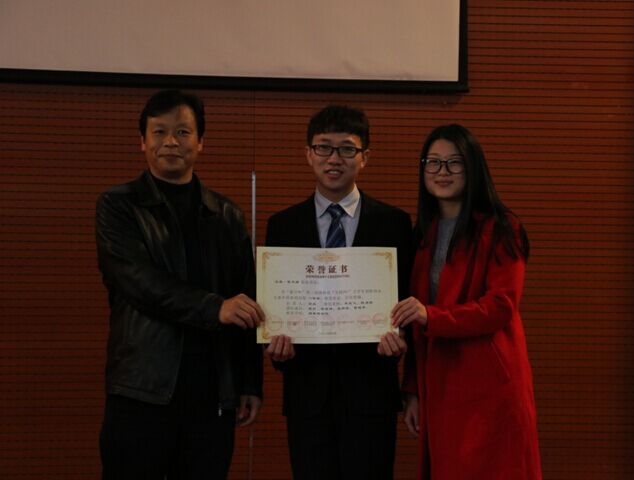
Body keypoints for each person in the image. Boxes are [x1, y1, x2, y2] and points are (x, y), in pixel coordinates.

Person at [95, 89, 264, 479]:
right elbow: (140, 283)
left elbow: (248, 299)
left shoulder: (227, 214)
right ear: (143, 141)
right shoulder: (118, 206)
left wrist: (249, 383)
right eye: (159, 132)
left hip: (212, 391)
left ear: (201, 142)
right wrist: (215, 307)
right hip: (142, 388)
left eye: (183, 132)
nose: (171, 142)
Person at [264, 105, 413, 480]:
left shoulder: (394, 223)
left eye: (347, 148)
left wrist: (401, 338)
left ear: (365, 157)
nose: (334, 158)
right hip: (307, 396)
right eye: (323, 147)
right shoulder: (282, 226)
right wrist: (277, 350)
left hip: (371, 392)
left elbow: (407, 299)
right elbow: (277, 305)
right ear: (308, 154)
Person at [392, 124, 542, 479]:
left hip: (488, 386)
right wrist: (412, 389)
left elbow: (500, 307)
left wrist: (433, 317)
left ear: (472, 167)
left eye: (454, 162)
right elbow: (414, 317)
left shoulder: (502, 227)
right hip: (438, 382)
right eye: (433, 162)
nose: (442, 172)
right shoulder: (423, 233)